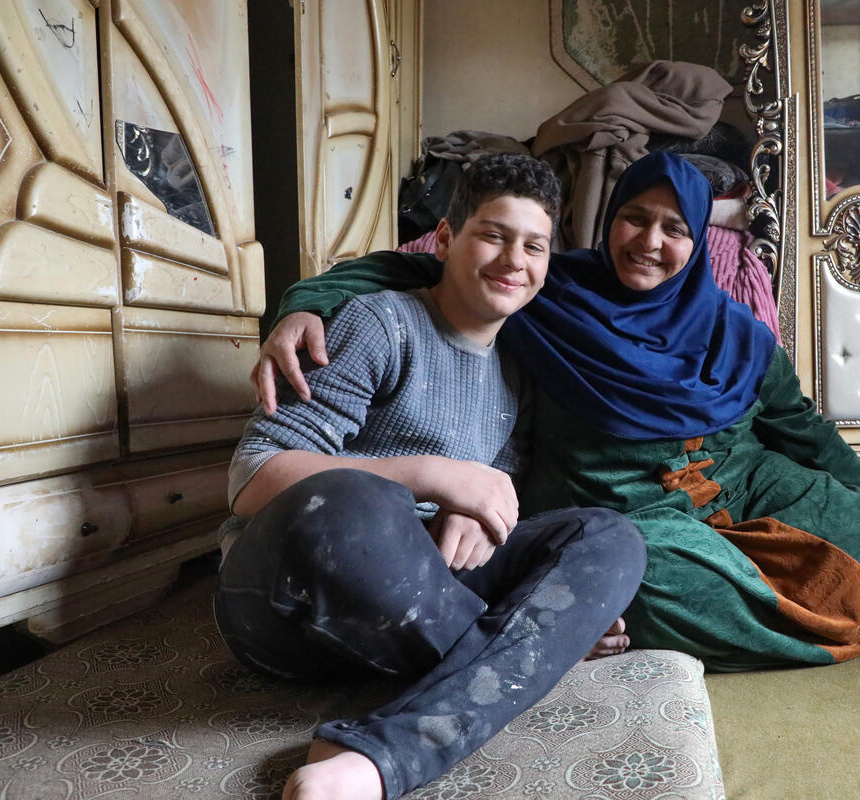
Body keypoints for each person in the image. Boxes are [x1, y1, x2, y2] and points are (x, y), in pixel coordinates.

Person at [253, 151, 860, 674]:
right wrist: (301, 307)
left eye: (674, 228)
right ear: (608, 219)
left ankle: (783, 578)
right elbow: (401, 268)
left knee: (856, 524)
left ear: (698, 245)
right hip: (630, 515)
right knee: (641, 578)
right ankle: (675, 610)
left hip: (741, 484)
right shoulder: (542, 287)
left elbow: (804, 429)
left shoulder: (737, 331)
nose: (650, 242)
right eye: (634, 218)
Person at [215, 153, 646, 800]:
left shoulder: (520, 371)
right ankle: (522, 650)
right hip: (291, 601)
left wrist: (468, 512)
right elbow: (252, 476)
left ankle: (374, 759)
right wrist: (433, 477)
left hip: (420, 594)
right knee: (354, 502)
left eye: (534, 246)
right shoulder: (377, 322)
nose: (514, 261)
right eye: (493, 236)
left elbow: (493, 492)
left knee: (611, 539)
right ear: (445, 239)